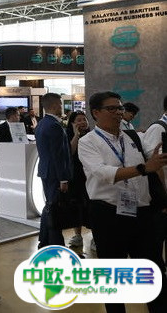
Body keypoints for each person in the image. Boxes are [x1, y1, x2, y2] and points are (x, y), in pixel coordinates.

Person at [78, 91, 167, 313]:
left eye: (120, 108)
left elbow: (154, 157)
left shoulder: (132, 137)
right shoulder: (87, 142)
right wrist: (143, 168)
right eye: (112, 109)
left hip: (142, 213)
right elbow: (103, 173)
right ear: (96, 113)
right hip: (108, 216)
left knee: (153, 271)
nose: (118, 112)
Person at [35, 93, 72, 248]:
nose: (61, 106)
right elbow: (58, 155)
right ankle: (57, 245)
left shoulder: (42, 124)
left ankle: (44, 241)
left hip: (47, 171)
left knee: (50, 207)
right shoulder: (53, 126)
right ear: (56, 105)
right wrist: (63, 178)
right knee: (54, 210)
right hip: (54, 174)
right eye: (61, 103)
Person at [142, 95, 167, 264]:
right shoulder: (158, 128)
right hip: (162, 197)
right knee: (157, 241)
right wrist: (163, 197)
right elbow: (155, 165)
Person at [64, 111, 91, 250]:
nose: (82, 122)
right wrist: (76, 135)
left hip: (90, 175)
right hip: (76, 176)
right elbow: (70, 152)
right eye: (78, 120)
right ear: (72, 123)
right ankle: (78, 235)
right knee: (76, 205)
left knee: (91, 206)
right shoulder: (68, 135)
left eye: (84, 119)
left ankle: (96, 237)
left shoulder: (92, 135)